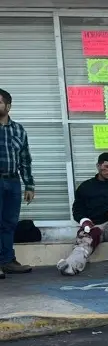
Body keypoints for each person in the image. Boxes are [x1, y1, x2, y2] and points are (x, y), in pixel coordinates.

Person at [57, 153, 108, 275]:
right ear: (98, 166)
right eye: (106, 167)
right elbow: (77, 210)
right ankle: (70, 266)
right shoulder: (86, 187)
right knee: (83, 246)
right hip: (93, 227)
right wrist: (84, 221)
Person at [0, 87, 35, 278]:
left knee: (9, 223)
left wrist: (29, 185)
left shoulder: (18, 130)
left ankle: (7, 261)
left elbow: (25, 159)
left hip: (13, 182)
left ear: (8, 105)